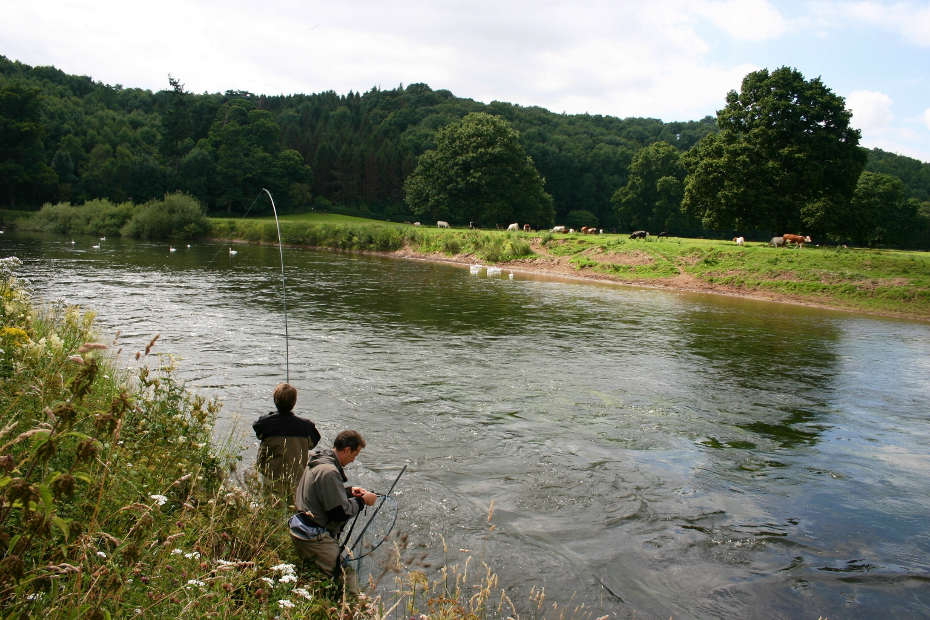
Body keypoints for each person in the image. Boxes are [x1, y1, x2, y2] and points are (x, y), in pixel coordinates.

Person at [288, 430, 376, 594]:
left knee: (316, 575)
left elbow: (321, 494)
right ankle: (356, 610)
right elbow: (339, 513)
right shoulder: (330, 472)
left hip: (299, 526)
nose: (353, 460)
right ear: (347, 450)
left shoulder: (318, 460)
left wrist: (348, 492)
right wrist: (363, 501)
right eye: (354, 455)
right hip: (312, 536)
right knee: (345, 575)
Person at [252, 383, 321, 496]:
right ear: (294, 402)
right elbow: (312, 444)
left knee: (271, 509)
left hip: (272, 476)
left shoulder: (265, 423)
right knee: (294, 510)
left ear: (275, 400)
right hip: (296, 477)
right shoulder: (306, 426)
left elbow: (258, 430)